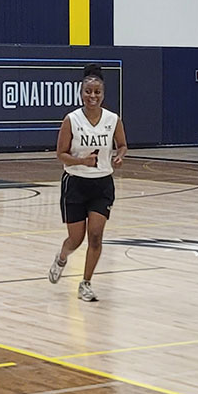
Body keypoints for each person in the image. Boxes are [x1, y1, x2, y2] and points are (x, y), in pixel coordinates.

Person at [47, 64, 128, 302]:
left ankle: (86, 283)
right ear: (81, 94)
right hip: (75, 183)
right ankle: (62, 258)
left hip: (102, 184)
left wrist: (120, 155)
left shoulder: (113, 119)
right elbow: (60, 154)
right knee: (76, 238)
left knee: (95, 236)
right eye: (88, 92)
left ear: (103, 95)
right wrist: (81, 160)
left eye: (97, 92)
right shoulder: (71, 120)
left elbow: (122, 144)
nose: (92, 96)